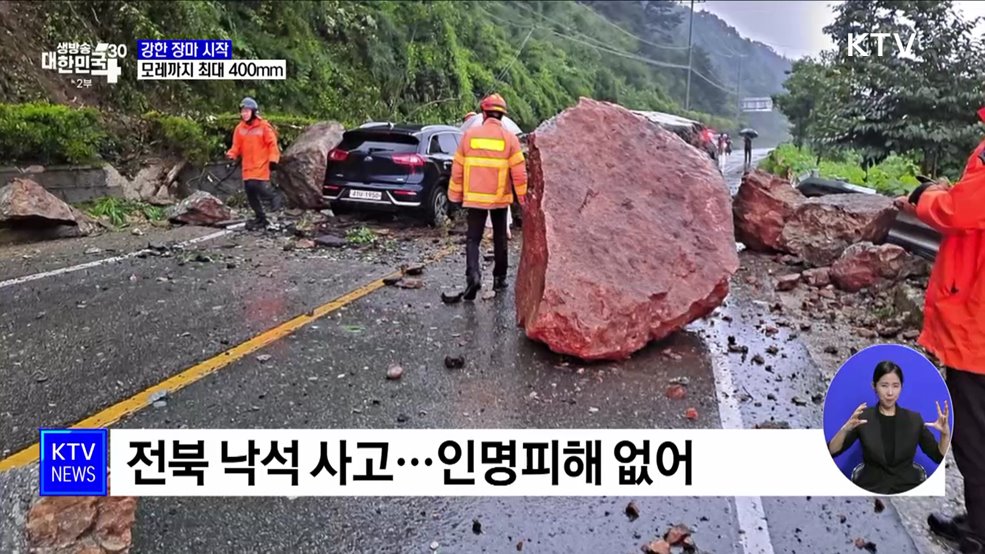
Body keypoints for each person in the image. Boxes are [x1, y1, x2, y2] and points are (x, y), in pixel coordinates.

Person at [896, 106, 985, 552]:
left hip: (980, 327)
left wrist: (922, 196)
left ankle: (979, 532)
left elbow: (960, 210)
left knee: (975, 435)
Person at [827, 361, 950, 495]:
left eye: (895, 386)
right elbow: (832, 451)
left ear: (901, 387)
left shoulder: (914, 419)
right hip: (870, 489)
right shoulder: (864, 417)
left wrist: (944, 435)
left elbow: (938, 457)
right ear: (874, 386)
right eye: (884, 386)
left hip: (907, 489)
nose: (890, 392)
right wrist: (845, 429)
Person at [449, 93, 527, 300]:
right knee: (500, 237)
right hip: (499, 199)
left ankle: (473, 276)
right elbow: (519, 173)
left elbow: (457, 168)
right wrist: (523, 200)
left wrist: (455, 195)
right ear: (502, 116)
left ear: (484, 113)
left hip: (474, 198)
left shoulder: (469, 136)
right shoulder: (510, 139)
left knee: (473, 239)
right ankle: (499, 278)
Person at [226, 97, 281, 230]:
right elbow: (236, 146)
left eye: (246, 111)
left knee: (257, 186)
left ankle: (275, 197)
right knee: (250, 193)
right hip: (247, 167)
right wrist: (231, 155)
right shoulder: (240, 128)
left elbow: (272, 145)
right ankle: (260, 218)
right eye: (242, 111)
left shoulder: (264, 126)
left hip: (260, 165)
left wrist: (273, 160)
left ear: (253, 112)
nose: (244, 114)